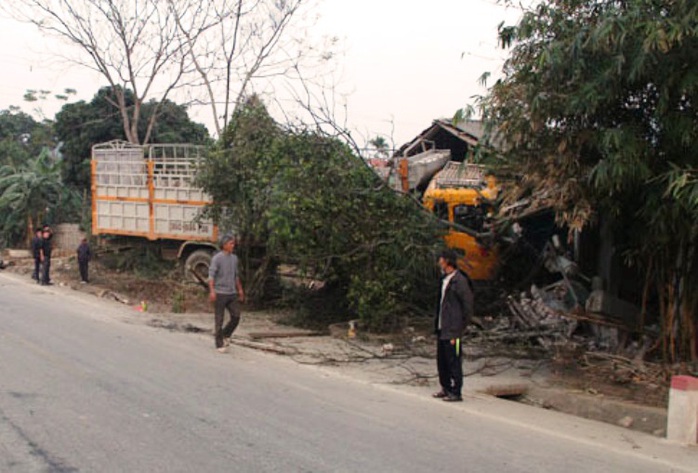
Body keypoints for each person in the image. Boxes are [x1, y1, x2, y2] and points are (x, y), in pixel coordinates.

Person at [433, 249, 474, 402]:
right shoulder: (444, 280)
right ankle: (446, 387)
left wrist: (459, 329)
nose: (439, 262)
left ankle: (456, 392)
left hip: (454, 332)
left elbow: (468, 307)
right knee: (442, 360)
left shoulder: (460, 281)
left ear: (447, 261)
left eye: (441, 259)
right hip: (442, 328)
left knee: (454, 360)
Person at [208, 234, 245, 353]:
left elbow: (236, 276)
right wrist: (212, 291)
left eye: (233, 243)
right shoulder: (217, 258)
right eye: (231, 243)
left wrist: (240, 290)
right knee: (219, 319)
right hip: (220, 292)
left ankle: (225, 334)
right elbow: (211, 276)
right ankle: (219, 344)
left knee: (236, 316)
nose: (233, 245)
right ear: (224, 245)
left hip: (231, 293)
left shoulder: (234, 258)